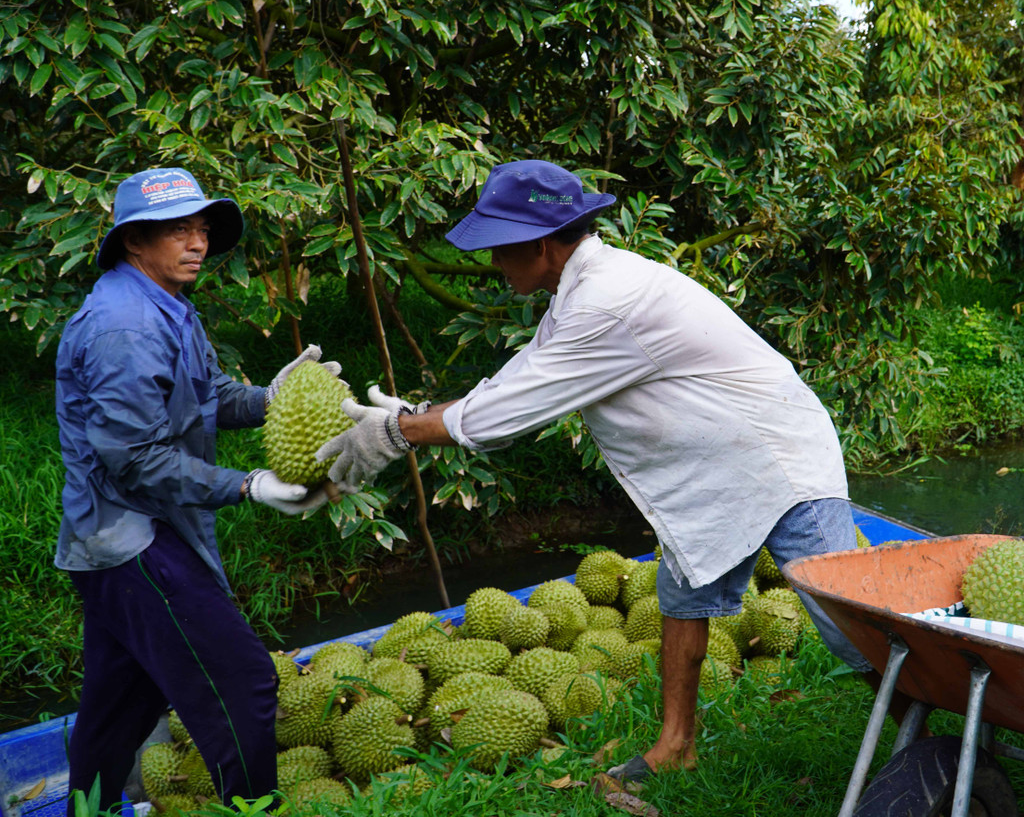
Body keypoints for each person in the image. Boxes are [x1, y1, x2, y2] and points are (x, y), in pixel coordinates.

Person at [315, 159, 877, 780]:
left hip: (781, 459)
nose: (493, 263)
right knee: (683, 592)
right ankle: (676, 747)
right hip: (725, 464)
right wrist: (417, 415)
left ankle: (933, 722)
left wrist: (398, 432)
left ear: (541, 243)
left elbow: (505, 415)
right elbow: (510, 384)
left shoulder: (607, 302)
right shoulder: (578, 294)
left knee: (851, 622)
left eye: (501, 248)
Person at [55, 167, 334, 813]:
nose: (197, 241)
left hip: (136, 536)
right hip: (130, 540)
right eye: (177, 228)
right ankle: (253, 808)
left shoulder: (166, 305)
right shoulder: (123, 326)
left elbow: (209, 399)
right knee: (243, 681)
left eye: (202, 227)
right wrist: (249, 484)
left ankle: (84, 812)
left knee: (119, 707)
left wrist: (280, 398)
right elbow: (136, 460)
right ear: (133, 240)